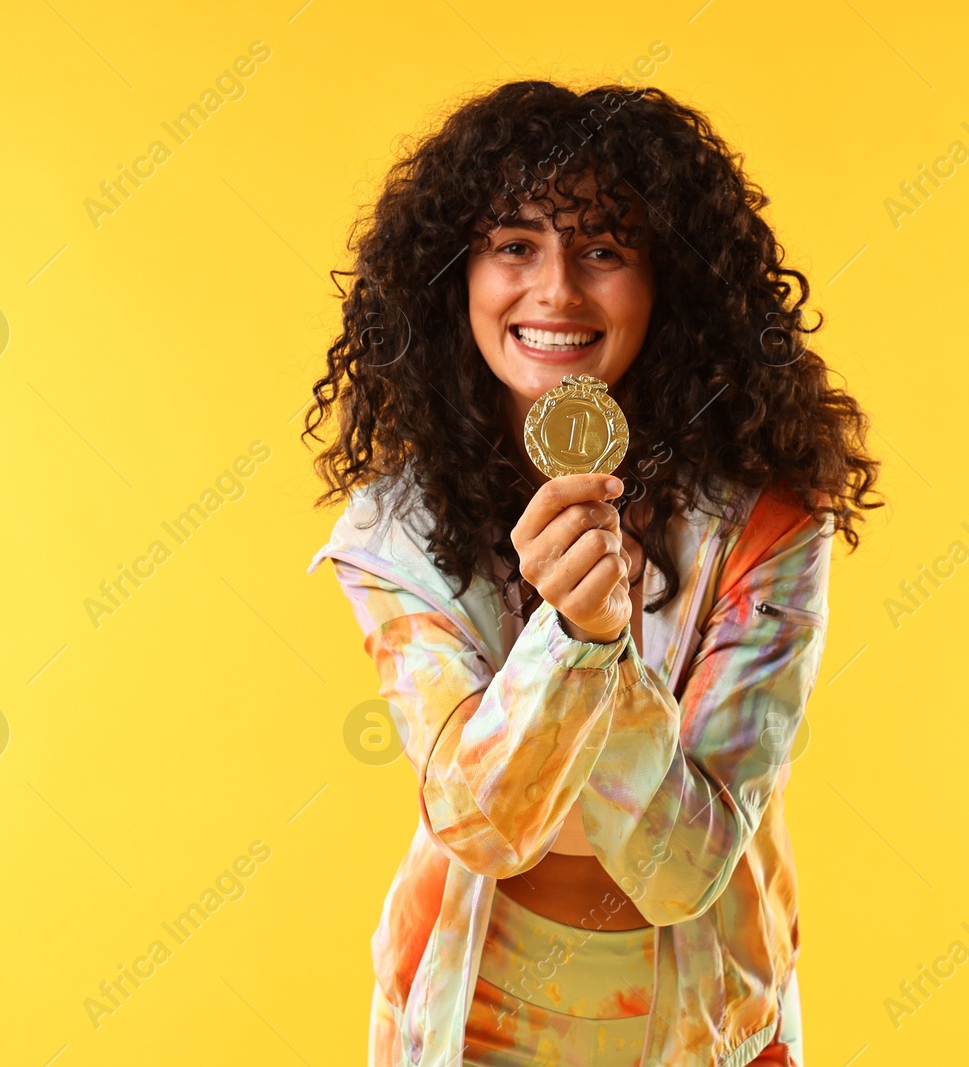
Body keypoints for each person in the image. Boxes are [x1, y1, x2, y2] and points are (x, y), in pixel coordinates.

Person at [304, 79, 880, 1067]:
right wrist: (572, 637)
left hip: (706, 1025)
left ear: (670, 283)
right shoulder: (394, 533)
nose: (557, 291)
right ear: (457, 275)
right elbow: (481, 821)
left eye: (604, 249)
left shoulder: (766, 529)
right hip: (467, 1015)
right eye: (514, 244)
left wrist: (603, 648)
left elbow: (682, 867)